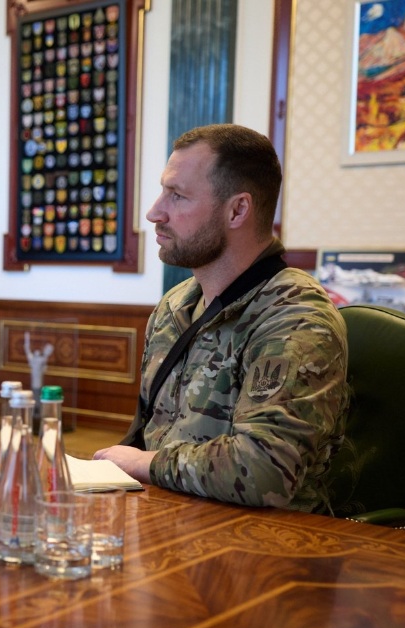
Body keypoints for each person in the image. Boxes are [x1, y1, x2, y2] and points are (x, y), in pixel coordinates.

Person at [93, 124, 348, 513]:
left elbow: (265, 471)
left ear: (238, 210)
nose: (154, 212)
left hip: (265, 539)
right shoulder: (175, 306)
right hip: (169, 519)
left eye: (177, 196)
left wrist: (146, 464)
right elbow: (147, 435)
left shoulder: (295, 316)